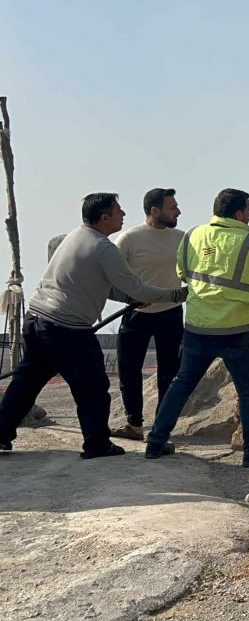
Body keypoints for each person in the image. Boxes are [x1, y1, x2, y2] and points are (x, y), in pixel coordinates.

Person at [0, 193, 188, 458]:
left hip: (38, 319)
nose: (123, 214)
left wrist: (128, 298)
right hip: (67, 329)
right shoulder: (103, 247)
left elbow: (108, 285)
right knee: (93, 389)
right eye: (118, 210)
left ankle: (1, 432)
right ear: (104, 217)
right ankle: (97, 444)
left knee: (26, 383)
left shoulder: (76, 237)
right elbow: (137, 287)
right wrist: (176, 295)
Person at [145, 188, 249, 467]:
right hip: (237, 329)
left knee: (182, 383)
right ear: (238, 213)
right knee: (247, 391)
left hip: (198, 326)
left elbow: (182, 274)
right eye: (248, 211)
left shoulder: (192, 236)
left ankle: (156, 440)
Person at [110, 188, 185, 441]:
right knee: (129, 370)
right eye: (172, 207)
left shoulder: (182, 239)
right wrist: (128, 297)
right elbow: (111, 275)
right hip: (136, 313)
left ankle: (162, 427)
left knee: (169, 373)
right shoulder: (128, 239)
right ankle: (134, 425)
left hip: (171, 313)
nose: (178, 211)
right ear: (155, 211)